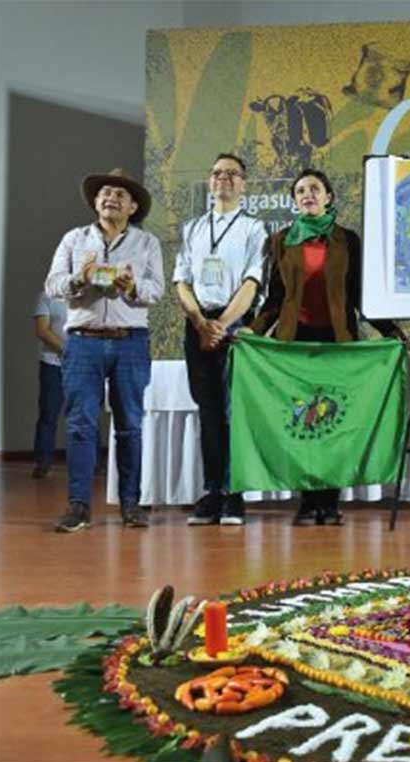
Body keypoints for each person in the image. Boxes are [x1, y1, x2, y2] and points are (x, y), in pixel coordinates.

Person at [244, 168, 404, 526]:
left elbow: (361, 295)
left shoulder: (348, 240)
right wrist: (252, 332)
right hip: (294, 346)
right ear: (294, 201)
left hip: (337, 342)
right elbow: (275, 299)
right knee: (303, 421)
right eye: (300, 191)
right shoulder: (282, 240)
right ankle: (307, 502)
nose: (308, 195)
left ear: (328, 197)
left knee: (333, 422)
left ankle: (330, 503)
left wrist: (390, 330)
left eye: (314, 189)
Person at [44, 168, 165, 532]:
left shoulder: (147, 243)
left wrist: (131, 287)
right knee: (80, 424)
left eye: (119, 195)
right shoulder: (74, 239)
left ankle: (131, 504)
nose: (111, 198)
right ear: (96, 202)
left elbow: (157, 291)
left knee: (129, 425)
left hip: (131, 342)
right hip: (83, 341)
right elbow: (53, 285)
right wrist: (80, 277)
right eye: (105, 194)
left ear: (133, 207)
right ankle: (79, 506)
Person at [174, 153, 267, 526]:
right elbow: (182, 282)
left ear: (243, 183)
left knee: (231, 412)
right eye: (216, 173)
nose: (223, 178)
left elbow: (252, 282)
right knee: (208, 411)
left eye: (231, 174)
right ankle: (213, 491)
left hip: (235, 324)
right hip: (198, 325)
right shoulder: (193, 228)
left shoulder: (254, 228)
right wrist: (200, 322)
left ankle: (233, 494)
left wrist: (222, 325)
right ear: (209, 181)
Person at [31, 290, 68, 478]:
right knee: (48, 415)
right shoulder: (46, 295)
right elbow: (42, 330)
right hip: (53, 364)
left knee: (87, 415)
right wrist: (67, 350)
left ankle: (92, 463)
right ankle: (43, 462)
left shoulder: (88, 292)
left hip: (83, 365)